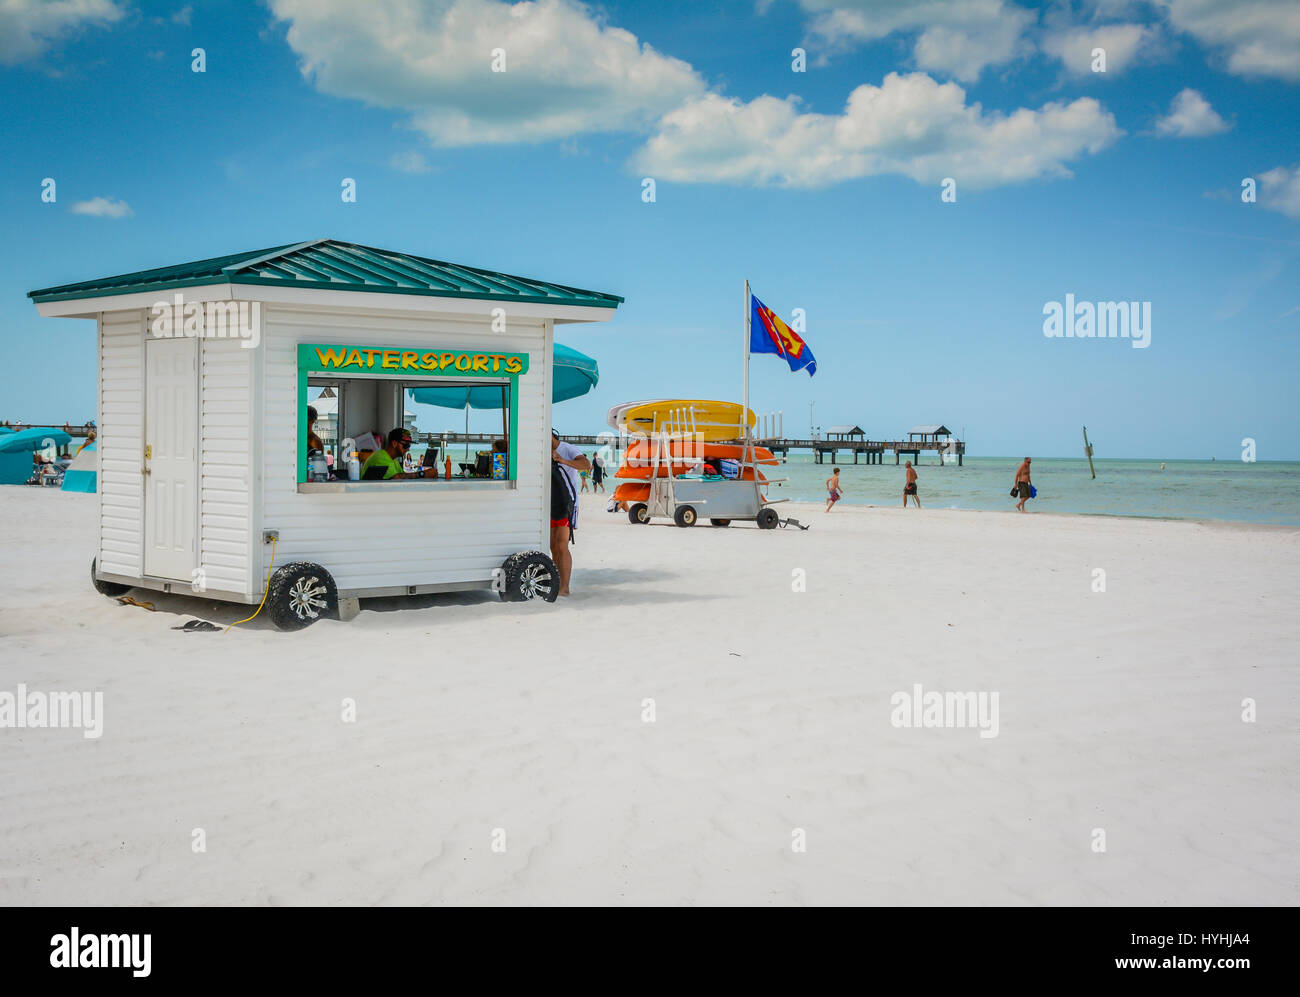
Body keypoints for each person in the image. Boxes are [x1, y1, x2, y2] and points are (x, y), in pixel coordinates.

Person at [550, 429, 590, 597]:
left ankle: (565, 588)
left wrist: (561, 460)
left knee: (562, 545)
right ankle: (558, 583)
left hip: (567, 503)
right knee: (553, 547)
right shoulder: (541, 450)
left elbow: (586, 465)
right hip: (550, 502)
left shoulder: (568, 448)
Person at [361, 428, 426, 480]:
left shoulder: (394, 460)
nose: (408, 449)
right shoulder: (380, 457)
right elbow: (395, 478)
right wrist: (423, 474)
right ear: (394, 443)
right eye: (406, 445)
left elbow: (403, 476)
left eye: (409, 446)